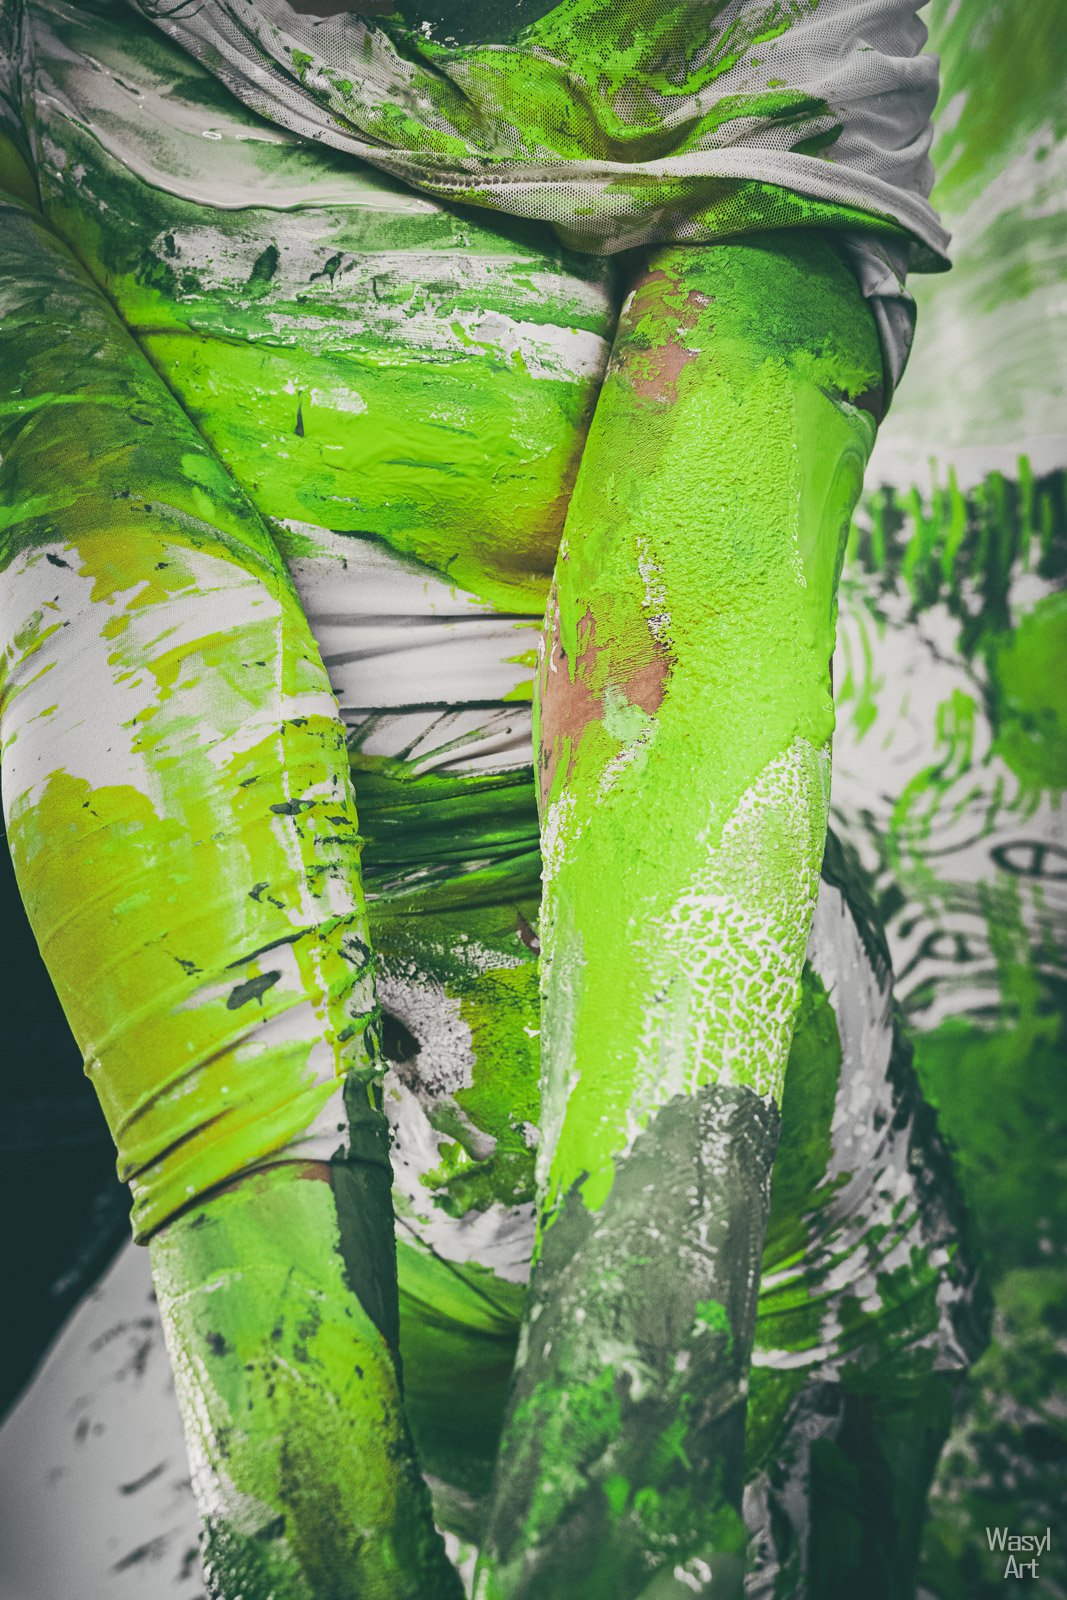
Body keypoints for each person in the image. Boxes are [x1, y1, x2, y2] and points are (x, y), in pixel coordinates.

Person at [0, 2, 984, 1596]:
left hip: (650, 1197)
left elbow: (671, 682)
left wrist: (315, 1466)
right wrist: (357, 1479)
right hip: (660, 1182)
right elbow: (668, 672)